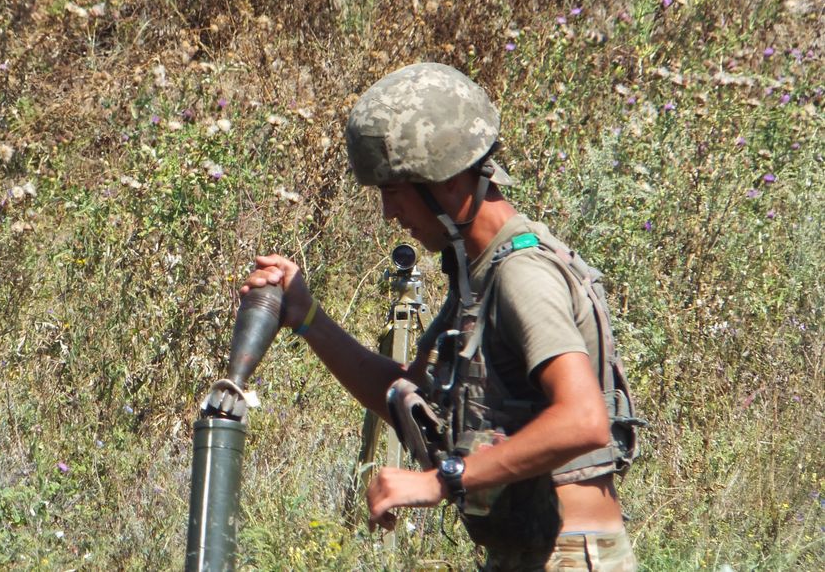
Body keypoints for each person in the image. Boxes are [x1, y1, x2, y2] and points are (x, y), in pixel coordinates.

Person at [240, 62, 641, 570]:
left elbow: (583, 421)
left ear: (447, 180)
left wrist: (441, 480)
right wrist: (308, 317)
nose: (389, 214)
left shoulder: (521, 274)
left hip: (569, 556)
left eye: (394, 191)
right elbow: (412, 403)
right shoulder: (477, 272)